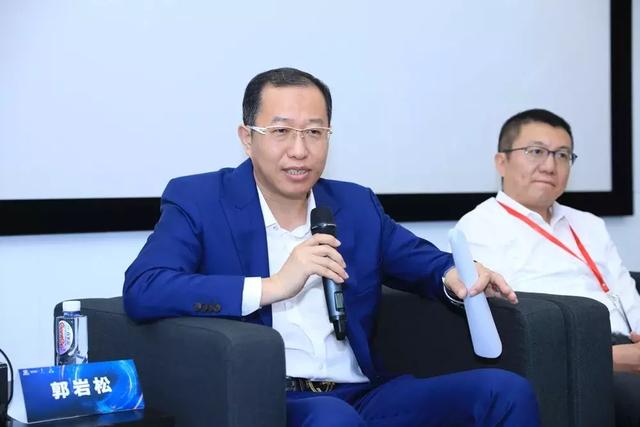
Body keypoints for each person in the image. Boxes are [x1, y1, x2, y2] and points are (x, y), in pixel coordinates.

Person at [123, 67, 539, 426]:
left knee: (504, 392)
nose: (300, 150)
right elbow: (145, 287)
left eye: (315, 132)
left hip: (362, 393)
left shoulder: (354, 205)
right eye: (281, 131)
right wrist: (272, 286)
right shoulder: (201, 201)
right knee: (332, 418)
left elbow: (422, 261)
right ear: (247, 138)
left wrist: (455, 275)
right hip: (272, 398)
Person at [455, 108, 640, 427]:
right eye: (536, 151)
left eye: (562, 155)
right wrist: (607, 357)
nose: (550, 166)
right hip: (567, 359)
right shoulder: (478, 228)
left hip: (628, 346)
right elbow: (510, 330)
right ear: (501, 162)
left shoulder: (590, 224)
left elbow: (625, 292)